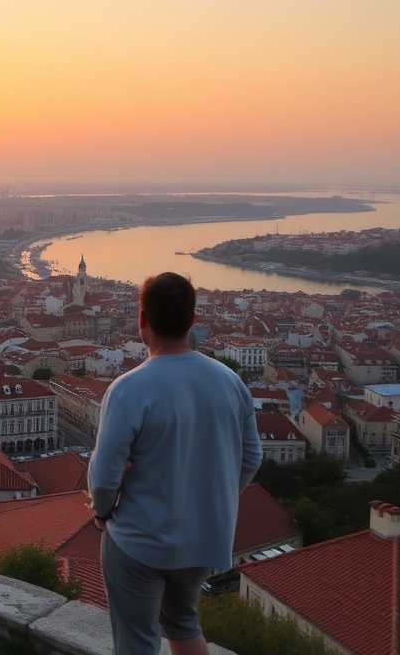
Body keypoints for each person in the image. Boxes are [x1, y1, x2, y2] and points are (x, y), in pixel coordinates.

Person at [88, 272, 261, 655]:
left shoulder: (129, 389)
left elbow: (104, 477)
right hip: (203, 540)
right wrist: (214, 499)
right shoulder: (231, 382)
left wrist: (102, 514)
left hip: (139, 541)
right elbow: (252, 457)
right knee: (184, 624)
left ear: (142, 319)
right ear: (193, 320)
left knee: (137, 640)